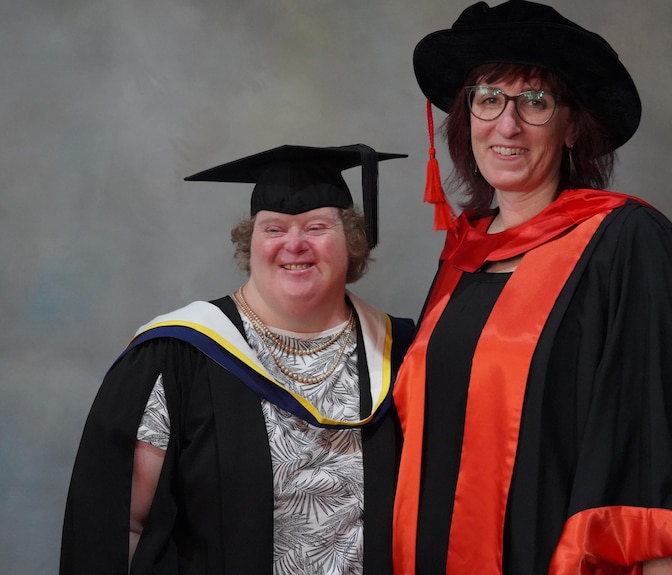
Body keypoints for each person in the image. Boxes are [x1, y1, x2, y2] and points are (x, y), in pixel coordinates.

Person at [391, 1, 672, 574]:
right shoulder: (462, 258)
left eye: (535, 102)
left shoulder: (627, 245)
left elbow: (659, 445)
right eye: (488, 98)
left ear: (572, 128)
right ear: (467, 118)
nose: (506, 125)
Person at [60, 143, 415, 574]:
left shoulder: (402, 350)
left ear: (353, 241)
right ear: (251, 244)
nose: (295, 244)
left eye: (317, 226)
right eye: (274, 229)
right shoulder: (178, 355)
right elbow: (122, 526)